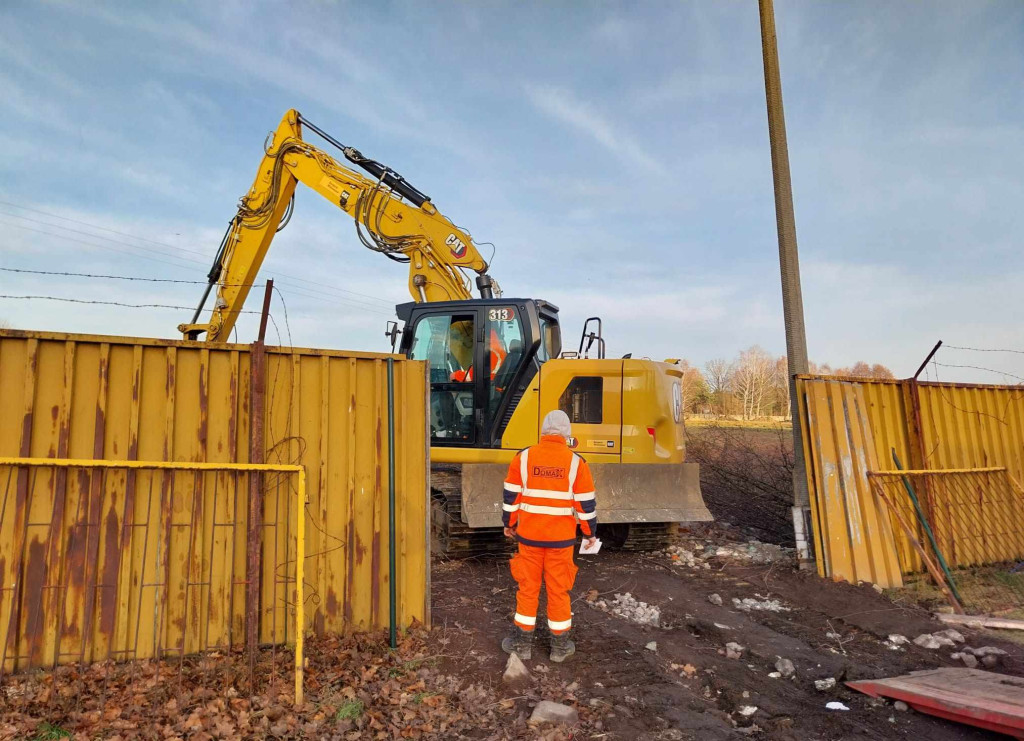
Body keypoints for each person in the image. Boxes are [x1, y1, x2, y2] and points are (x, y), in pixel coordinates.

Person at [500, 410, 598, 662]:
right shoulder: (576, 463)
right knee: (558, 591)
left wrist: (509, 524)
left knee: (527, 589)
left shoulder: (523, 458)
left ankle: (522, 646)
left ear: (543, 431)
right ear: (567, 433)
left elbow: (511, 496)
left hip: (529, 538)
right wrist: (590, 533)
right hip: (560, 542)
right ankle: (559, 648)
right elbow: (585, 504)